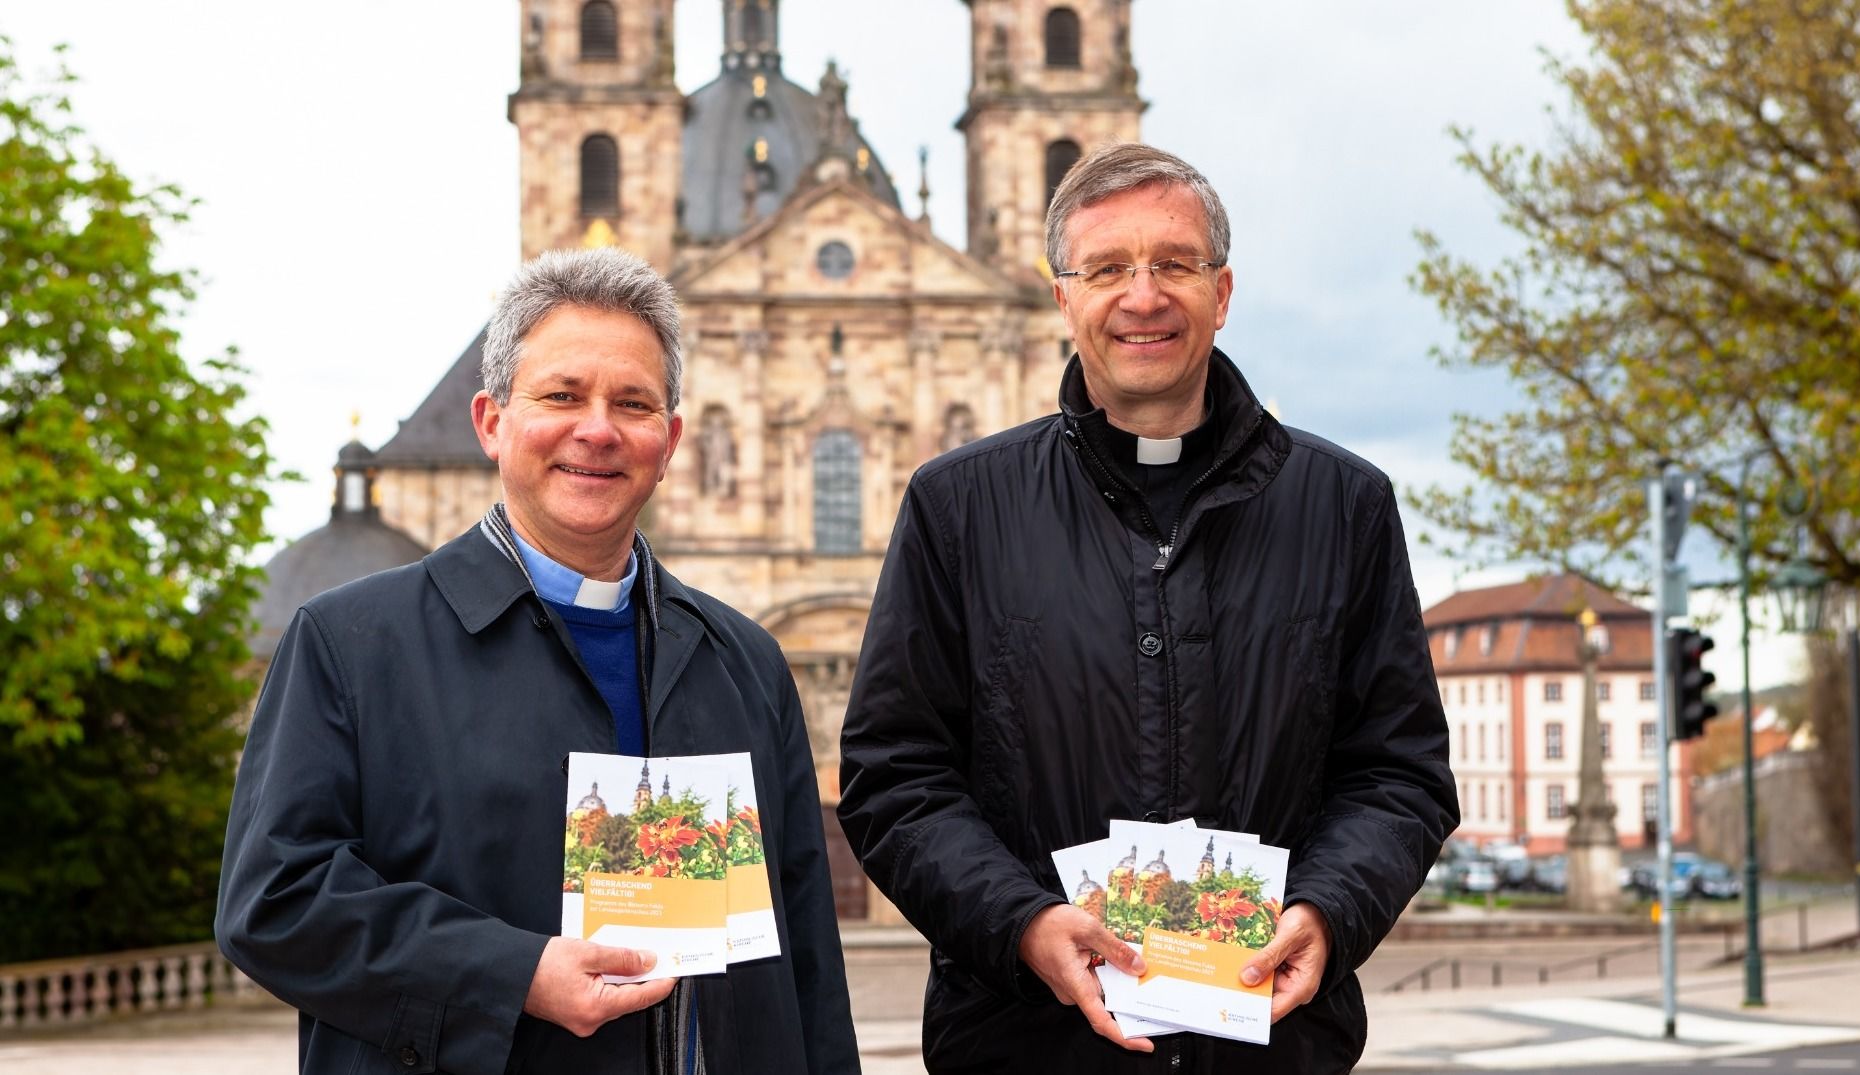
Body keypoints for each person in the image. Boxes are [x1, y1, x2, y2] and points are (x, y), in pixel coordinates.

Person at [836, 143, 1458, 1073]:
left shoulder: (1343, 504)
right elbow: (893, 777)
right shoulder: (956, 504)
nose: (1142, 295)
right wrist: (1021, 922)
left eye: (1173, 263)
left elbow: (1399, 772)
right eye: (1106, 268)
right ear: (1061, 298)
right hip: (1025, 1044)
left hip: (1272, 1047)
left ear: (1222, 289)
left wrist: (1329, 910)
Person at [218, 248, 858, 1075]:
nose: (597, 428)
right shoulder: (352, 642)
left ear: (668, 441)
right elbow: (273, 903)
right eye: (562, 395)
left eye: (632, 403)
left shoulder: (744, 658)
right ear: (491, 421)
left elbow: (805, 953)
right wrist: (512, 971)